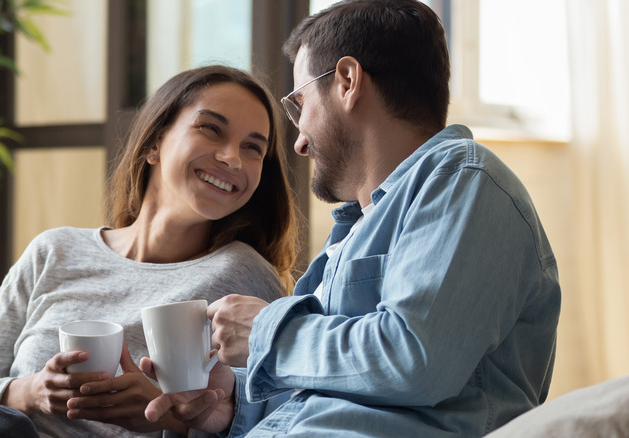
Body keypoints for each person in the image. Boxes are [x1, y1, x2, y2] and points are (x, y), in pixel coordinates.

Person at [143, 1, 561, 437]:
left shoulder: (464, 182)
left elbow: (414, 362)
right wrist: (230, 403)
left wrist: (268, 332)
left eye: (299, 103)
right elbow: (335, 383)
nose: (299, 142)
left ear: (346, 81)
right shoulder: (357, 228)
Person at [0, 65, 298, 438]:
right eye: (211, 129)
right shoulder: (54, 251)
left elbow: (282, 417)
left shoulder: (243, 276)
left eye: (253, 148)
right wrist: (30, 392)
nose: (232, 158)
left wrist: (169, 416)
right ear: (154, 142)